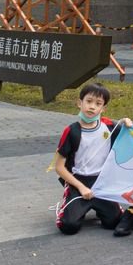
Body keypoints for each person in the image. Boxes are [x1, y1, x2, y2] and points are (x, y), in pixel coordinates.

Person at [53, 81, 123, 235]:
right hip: (78, 181)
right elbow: (59, 167)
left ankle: (100, 207)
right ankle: (67, 207)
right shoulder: (71, 131)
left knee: (114, 222)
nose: (92, 107)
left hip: (101, 181)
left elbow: (129, 132)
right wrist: (81, 187)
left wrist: (128, 123)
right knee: (68, 226)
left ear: (103, 108)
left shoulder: (109, 126)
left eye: (98, 104)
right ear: (80, 103)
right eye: (88, 101)